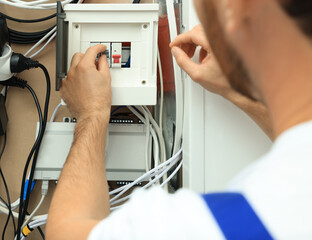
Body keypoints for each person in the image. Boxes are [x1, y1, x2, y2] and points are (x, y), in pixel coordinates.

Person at [46, 0, 312, 239]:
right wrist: (236, 87)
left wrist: (91, 113)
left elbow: (65, 233)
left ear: (237, 8)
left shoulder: (218, 226)